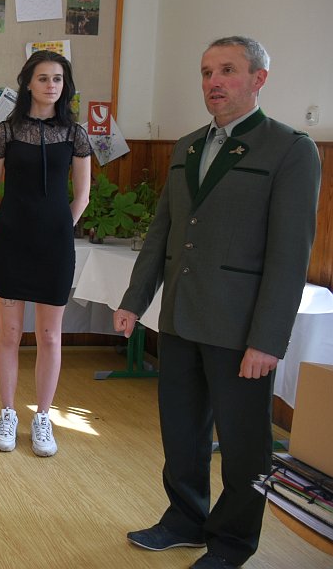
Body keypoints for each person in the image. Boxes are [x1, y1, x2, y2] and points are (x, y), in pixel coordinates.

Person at [114, 37, 320, 569]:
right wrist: (135, 300)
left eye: (227, 70)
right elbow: (162, 232)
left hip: (241, 327)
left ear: (258, 79)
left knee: (244, 443)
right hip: (181, 317)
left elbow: (290, 256)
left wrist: (267, 340)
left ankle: (231, 543)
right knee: (182, 432)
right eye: (207, 72)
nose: (213, 82)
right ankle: (185, 519)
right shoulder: (187, 147)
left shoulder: (290, 149)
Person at [0, 50, 91, 457]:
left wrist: (60, 228)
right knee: (9, 333)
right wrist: (6, 228)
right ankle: (8, 412)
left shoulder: (75, 133)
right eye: (43, 78)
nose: (50, 85)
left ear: (65, 86)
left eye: (57, 79)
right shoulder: (6, 132)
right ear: (28, 83)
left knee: (49, 335)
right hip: (11, 242)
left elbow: (82, 195)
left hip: (55, 245)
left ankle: (43, 416)